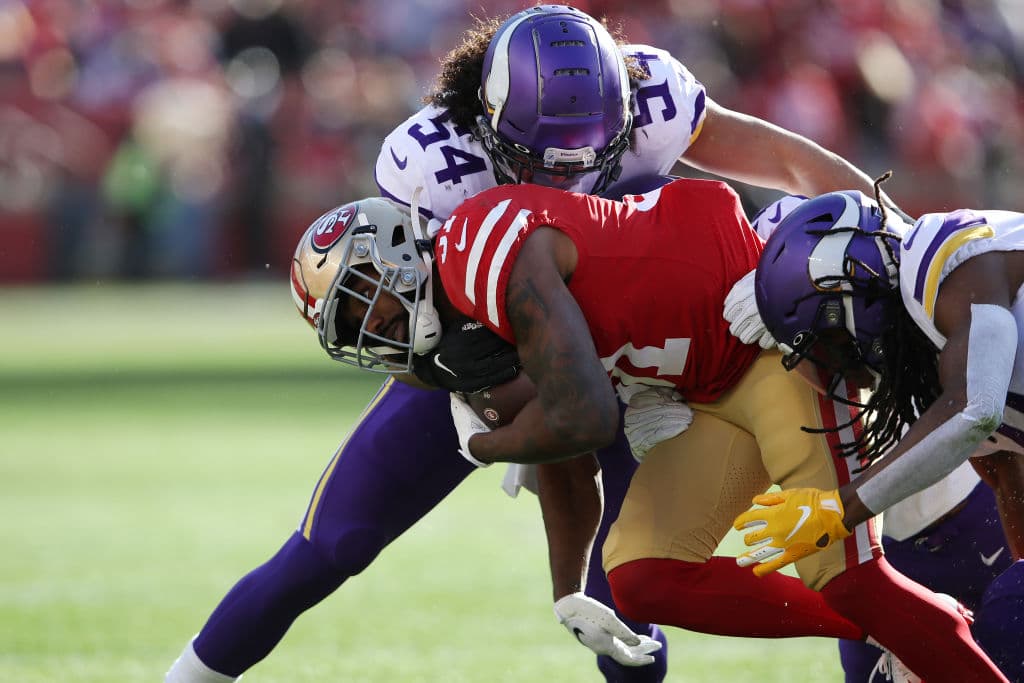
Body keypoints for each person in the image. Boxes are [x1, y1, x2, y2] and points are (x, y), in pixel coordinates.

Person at [167, 5, 914, 681]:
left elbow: (795, 166)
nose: (570, 179)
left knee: (628, 600)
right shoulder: (435, 164)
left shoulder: (652, 93)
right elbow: (414, 336)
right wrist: (495, 408)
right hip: (485, 356)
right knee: (333, 541)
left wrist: (908, 252)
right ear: (488, 122)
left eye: (590, 156)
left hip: (644, 364)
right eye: (540, 162)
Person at [292, 174, 1008, 680]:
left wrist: (484, 443)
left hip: (773, 343)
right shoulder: (459, 338)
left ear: (396, 255)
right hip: (711, 385)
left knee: (848, 576)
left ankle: (922, 633)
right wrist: (566, 587)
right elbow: (567, 455)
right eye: (349, 326)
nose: (370, 327)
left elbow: (584, 417)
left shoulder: (481, 259)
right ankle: (904, 626)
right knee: (642, 575)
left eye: (362, 301)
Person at [747, 195, 1024, 683]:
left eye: (829, 340)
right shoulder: (933, 355)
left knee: (1010, 616)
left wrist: (841, 508)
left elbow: (974, 411)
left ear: (857, 286)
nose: (835, 367)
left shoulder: (946, 258)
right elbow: (1009, 476)